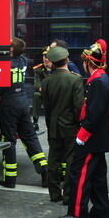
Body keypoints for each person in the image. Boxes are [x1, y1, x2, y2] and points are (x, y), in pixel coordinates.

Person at [58, 39, 109, 218]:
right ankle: (100, 211)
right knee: (98, 176)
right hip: (98, 138)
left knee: (79, 174)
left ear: (89, 62)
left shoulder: (97, 82)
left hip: (91, 138)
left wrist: (82, 136)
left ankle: (77, 213)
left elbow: (94, 113)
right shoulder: (101, 79)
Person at [0, 38, 48, 188]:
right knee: (30, 137)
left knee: (9, 141)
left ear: (11, 49)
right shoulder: (23, 60)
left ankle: (9, 179)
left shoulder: (5, 63)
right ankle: (44, 170)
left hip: (9, 103)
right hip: (23, 101)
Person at [41, 45, 84, 203]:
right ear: (67, 60)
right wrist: (78, 123)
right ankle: (68, 195)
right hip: (70, 126)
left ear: (52, 62)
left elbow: (46, 107)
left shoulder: (46, 81)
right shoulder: (75, 79)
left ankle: (54, 194)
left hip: (53, 126)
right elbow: (78, 106)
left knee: (53, 161)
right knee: (71, 161)